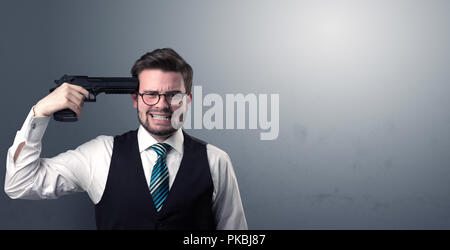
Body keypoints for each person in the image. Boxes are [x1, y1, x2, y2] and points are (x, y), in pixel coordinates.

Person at [4, 48, 248, 230]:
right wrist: (39, 113)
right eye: (151, 94)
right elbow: (19, 184)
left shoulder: (216, 161)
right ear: (135, 99)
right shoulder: (100, 155)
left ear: (188, 100)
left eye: (173, 95)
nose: (162, 105)